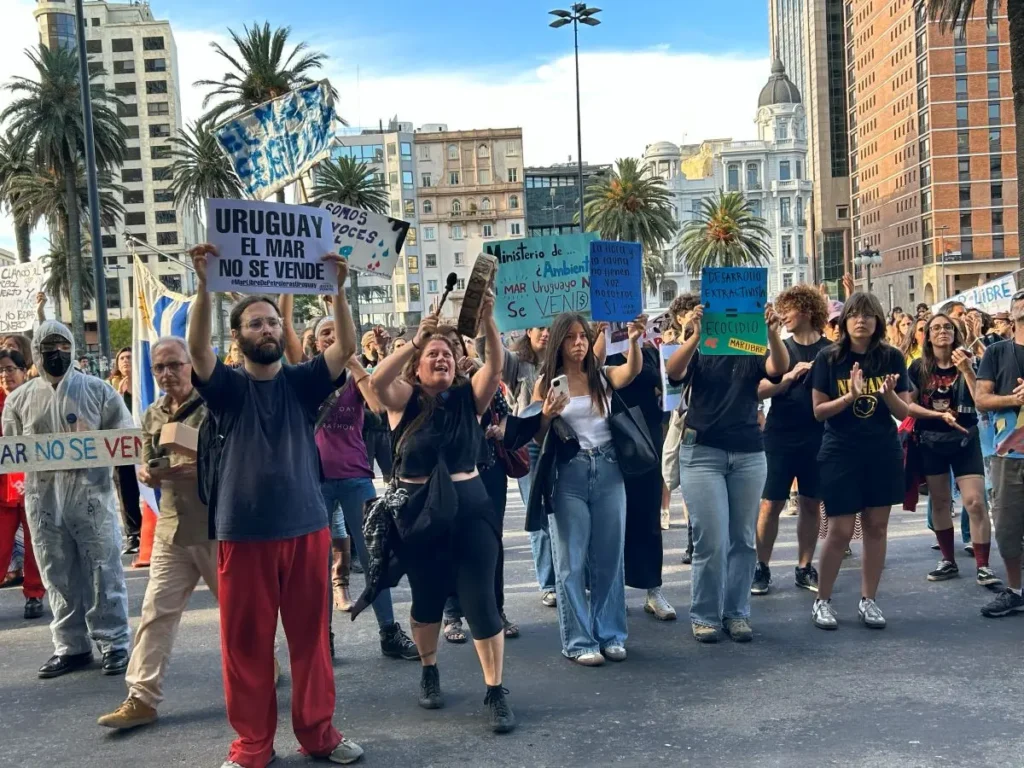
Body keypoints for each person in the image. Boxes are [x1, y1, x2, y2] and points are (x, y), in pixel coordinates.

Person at [186, 244, 363, 767]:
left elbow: (345, 345)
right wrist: (203, 287)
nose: (266, 330)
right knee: (245, 649)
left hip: (306, 529)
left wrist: (337, 290)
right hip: (242, 535)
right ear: (238, 338)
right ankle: (251, 746)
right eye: (255, 324)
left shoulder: (301, 382)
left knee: (311, 644)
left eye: (270, 323)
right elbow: (197, 351)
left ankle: (319, 735)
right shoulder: (227, 388)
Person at [369, 290, 517, 733]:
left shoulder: (467, 399)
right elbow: (377, 381)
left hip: (471, 514)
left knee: (481, 603)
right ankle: (429, 670)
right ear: (417, 365)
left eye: (447, 354)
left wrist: (489, 321)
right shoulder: (403, 401)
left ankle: (495, 690)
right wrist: (417, 339)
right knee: (428, 599)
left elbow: (496, 367)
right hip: (418, 519)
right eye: (433, 354)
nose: (441, 358)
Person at [97, 337, 216, 730]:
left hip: (215, 529)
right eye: (159, 368)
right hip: (170, 528)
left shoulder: (218, 405)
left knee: (240, 613)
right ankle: (141, 697)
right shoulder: (151, 414)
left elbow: (235, 460)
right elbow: (148, 461)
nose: (167, 374)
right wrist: (149, 471)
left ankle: (262, 666)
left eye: (174, 365)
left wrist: (197, 466)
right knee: (155, 613)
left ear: (191, 364)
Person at [2, 320, 133, 677]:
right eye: (49, 347)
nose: (56, 354)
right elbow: (14, 451)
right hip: (43, 499)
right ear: (39, 352)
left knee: (103, 569)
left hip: (92, 497)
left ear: (72, 349)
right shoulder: (20, 399)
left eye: (62, 346)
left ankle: (114, 641)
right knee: (55, 571)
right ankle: (71, 645)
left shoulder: (99, 392)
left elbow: (125, 438)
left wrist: (96, 439)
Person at [665, 306, 789, 643]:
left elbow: (778, 369)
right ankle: (705, 614)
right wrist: (695, 335)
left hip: (748, 450)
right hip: (702, 451)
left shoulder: (750, 345)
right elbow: (673, 372)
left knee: (743, 539)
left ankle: (737, 613)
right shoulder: (703, 346)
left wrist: (773, 332)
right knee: (712, 538)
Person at [529, 312, 645, 663]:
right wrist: (547, 414)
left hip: (609, 467)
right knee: (571, 561)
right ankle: (579, 641)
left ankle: (609, 633)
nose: (579, 343)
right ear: (559, 343)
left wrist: (635, 343)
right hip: (569, 473)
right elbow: (536, 436)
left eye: (583, 336)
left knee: (609, 556)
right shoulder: (546, 382)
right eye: (572, 337)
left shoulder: (601, 376)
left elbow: (630, 373)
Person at [311, 315, 419, 659]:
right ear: (315, 344)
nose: (330, 337)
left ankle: (389, 632)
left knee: (376, 558)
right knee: (317, 564)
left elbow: (377, 404)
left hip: (356, 476)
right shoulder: (307, 377)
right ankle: (321, 639)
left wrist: (353, 360)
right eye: (324, 334)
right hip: (316, 480)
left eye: (335, 331)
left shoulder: (355, 377)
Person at [809, 292, 911, 631]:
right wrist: (849, 396)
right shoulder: (828, 358)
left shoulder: (892, 358)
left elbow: (905, 412)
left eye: (868, 315)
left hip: (882, 450)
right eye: (854, 314)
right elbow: (819, 411)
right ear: (844, 321)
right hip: (840, 451)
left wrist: (890, 394)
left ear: (878, 320)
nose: (861, 320)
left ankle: (869, 600)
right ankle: (822, 600)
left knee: (876, 527)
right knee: (839, 530)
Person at [906, 315, 999, 587]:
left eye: (947, 327)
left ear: (955, 333)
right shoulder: (918, 368)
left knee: (975, 502)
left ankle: (983, 566)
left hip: (965, 439)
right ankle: (948, 560)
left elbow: (981, 402)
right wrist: (936, 417)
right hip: (931, 440)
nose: (942, 332)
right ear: (928, 337)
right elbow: (907, 406)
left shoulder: (972, 362)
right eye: (935, 328)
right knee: (941, 501)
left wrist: (968, 369)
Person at [440, 326, 519, 642]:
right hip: (448, 475)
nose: (451, 356)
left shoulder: (482, 377)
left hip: (487, 467)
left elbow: (504, 411)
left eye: (455, 348)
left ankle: (496, 609)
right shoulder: (433, 386)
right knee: (450, 541)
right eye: (443, 350)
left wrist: (499, 427)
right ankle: (452, 614)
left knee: (491, 541)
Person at [753, 285, 831, 596]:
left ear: (808, 312)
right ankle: (761, 567)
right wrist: (787, 379)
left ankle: (804, 566)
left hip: (819, 435)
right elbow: (756, 390)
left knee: (811, 503)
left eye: (789, 308)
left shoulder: (831, 350)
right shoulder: (778, 348)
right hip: (780, 434)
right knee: (770, 503)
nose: (783, 315)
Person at [477, 325, 554, 606]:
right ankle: (548, 583)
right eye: (540, 328)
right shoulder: (515, 362)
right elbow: (486, 351)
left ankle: (572, 579)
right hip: (529, 444)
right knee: (538, 512)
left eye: (550, 328)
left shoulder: (565, 358)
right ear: (528, 332)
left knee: (563, 513)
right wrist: (488, 317)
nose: (545, 334)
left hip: (561, 441)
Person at [605, 330, 676, 621]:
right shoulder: (602, 354)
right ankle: (613, 592)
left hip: (646, 442)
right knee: (612, 521)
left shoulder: (648, 352)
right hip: (611, 441)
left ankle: (652, 589)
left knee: (648, 517)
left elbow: (669, 386)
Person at [974, 289, 1024, 617]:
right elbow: (981, 399)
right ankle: (1015, 590)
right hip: (1008, 456)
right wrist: (1015, 400)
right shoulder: (996, 352)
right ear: (1011, 312)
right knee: (1007, 525)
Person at [0, 348, 45, 620]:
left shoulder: (36, 399)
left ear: (23, 371)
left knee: (35, 545)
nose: (5, 375)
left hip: (34, 486)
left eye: (10, 369)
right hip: (2, 489)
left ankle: (34, 595)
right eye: (1, 370)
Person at [108, 346, 142, 555]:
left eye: (130, 357)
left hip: (142, 444)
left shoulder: (144, 385)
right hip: (121, 446)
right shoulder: (110, 387)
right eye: (122, 358)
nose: (126, 361)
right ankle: (133, 533)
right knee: (125, 490)